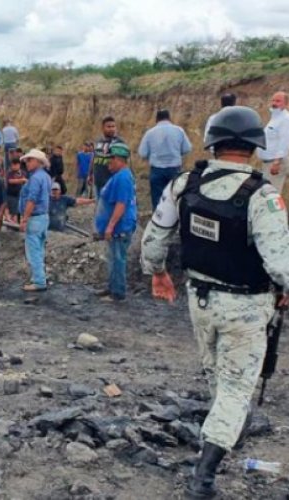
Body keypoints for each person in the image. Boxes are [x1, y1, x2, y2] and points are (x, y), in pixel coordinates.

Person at [140, 106, 289, 499]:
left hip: (199, 299)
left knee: (216, 374)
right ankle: (204, 476)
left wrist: (157, 272)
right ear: (254, 147)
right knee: (238, 386)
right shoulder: (262, 196)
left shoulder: (185, 184)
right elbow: (282, 264)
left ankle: (225, 433)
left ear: (213, 141)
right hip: (247, 305)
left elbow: (155, 237)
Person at [94, 143, 137, 302]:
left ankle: (117, 293)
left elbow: (121, 204)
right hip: (116, 228)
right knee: (112, 258)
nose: (107, 163)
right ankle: (111, 287)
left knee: (118, 259)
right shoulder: (119, 176)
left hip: (120, 227)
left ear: (118, 159)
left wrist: (110, 226)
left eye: (110, 159)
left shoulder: (123, 178)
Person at [138, 109, 193, 208]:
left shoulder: (150, 133)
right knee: (175, 198)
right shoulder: (179, 130)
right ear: (169, 118)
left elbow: (142, 152)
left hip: (156, 170)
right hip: (174, 169)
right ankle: (175, 221)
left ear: (156, 119)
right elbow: (187, 148)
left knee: (158, 200)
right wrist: (176, 153)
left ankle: (159, 221)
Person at [19, 149, 52, 292]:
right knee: (39, 249)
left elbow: (32, 199)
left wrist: (24, 219)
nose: (27, 163)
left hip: (35, 218)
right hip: (43, 217)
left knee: (33, 251)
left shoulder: (35, 178)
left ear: (38, 162)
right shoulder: (45, 177)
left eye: (30, 160)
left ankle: (39, 281)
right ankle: (39, 277)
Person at [258, 91, 289, 191]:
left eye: (278, 101)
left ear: (286, 104)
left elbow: (284, 141)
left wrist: (276, 162)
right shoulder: (275, 118)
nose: (274, 103)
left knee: (272, 194)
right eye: (273, 100)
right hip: (267, 164)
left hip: (275, 164)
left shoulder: (285, 119)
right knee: (267, 193)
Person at [90, 116, 125, 197]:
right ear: (102, 128)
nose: (112, 129)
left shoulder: (119, 142)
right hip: (98, 182)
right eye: (108, 127)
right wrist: (90, 173)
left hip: (111, 182)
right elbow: (94, 157)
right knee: (99, 207)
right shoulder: (98, 141)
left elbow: (122, 163)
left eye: (113, 126)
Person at [6, 157, 27, 222]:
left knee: (18, 212)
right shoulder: (10, 172)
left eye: (16, 165)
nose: (14, 167)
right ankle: (12, 224)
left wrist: (21, 180)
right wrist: (21, 180)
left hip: (20, 195)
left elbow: (26, 181)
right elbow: (10, 181)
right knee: (13, 213)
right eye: (13, 165)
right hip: (11, 195)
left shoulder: (23, 172)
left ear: (19, 165)